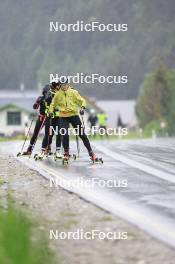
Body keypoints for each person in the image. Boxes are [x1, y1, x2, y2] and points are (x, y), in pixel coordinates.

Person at [49, 79, 99, 162]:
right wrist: (50, 111)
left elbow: (82, 100)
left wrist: (82, 108)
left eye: (65, 84)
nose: (63, 86)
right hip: (63, 116)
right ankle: (66, 153)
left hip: (74, 115)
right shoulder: (58, 94)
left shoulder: (73, 92)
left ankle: (91, 153)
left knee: (82, 134)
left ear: (68, 84)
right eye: (61, 85)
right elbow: (53, 104)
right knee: (64, 134)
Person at [36, 82, 62, 159]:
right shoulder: (49, 93)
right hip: (49, 116)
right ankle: (43, 151)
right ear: (55, 86)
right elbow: (47, 100)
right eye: (58, 85)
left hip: (58, 117)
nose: (59, 86)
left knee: (59, 134)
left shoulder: (60, 93)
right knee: (47, 134)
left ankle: (58, 151)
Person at [22, 85, 50, 155]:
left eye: (47, 92)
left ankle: (47, 148)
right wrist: (36, 104)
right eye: (45, 92)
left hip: (48, 118)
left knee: (48, 134)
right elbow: (35, 106)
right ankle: (29, 149)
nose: (46, 93)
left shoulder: (51, 98)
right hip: (41, 118)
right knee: (35, 133)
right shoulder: (40, 98)